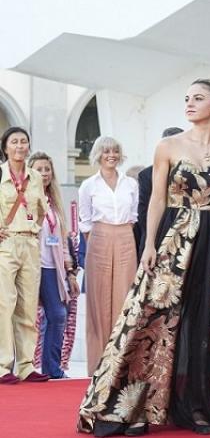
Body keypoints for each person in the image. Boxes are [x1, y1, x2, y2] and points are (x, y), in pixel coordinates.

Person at [78, 77, 210, 436]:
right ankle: (136, 406)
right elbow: (158, 200)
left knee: (209, 321)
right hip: (175, 238)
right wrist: (149, 244)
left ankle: (200, 405)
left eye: (198, 98)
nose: (189, 103)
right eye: (186, 98)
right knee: (154, 318)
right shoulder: (167, 146)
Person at [78, 136, 139, 372]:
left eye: (115, 150)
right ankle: (98, 365)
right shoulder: (88, 185)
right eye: (106, 151)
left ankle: (121, 364)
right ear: (98, 154)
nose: (111, 155)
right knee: (98, 299)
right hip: (98, 237)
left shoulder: (130, 184)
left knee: (124, 298)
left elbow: (134, 216)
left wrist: (122, 236)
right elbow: (85, 221)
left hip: (125, 236)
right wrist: (97, 242)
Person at [0, 127, 50, 384]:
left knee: (29, 305)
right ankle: (2, 364)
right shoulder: (0, 174)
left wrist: (35, 228)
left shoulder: (35, 176)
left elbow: (40, 209)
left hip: (30, 243)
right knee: (4, 304)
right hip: (5, 244)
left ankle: (26, 365)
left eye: (24, 141)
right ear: (5, 146)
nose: (20, 146)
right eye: (14, 141)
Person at [28, 152, 79, 380]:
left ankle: (52, 368)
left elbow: (63, 241)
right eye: (39, 169)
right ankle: (15, 368)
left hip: (52, 268)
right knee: (23, 318)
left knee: (58, 314)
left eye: (47, 169)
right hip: (29, 264)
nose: (44, 173)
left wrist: (69, 272)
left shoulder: (55, 202)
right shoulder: (25, 198)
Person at [136, 127, 184, 261]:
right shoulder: (146, 175)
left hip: (185, 233)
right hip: (156, 235)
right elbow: (143, 210)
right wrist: (152, 238)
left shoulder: (191, 173)